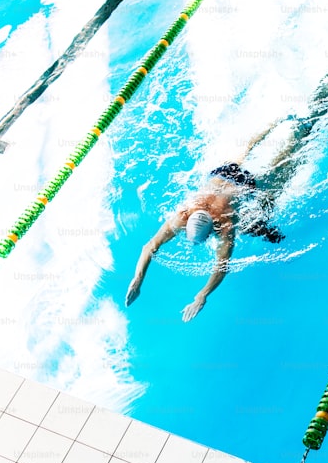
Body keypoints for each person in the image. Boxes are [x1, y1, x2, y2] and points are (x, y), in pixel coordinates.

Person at [125, 118, 301, 322]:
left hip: (243, 185)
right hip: (224, 172)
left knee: (279, 172)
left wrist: (203, 295)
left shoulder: (220, 224)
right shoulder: (186, 214)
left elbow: (221, 267)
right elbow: (149, 247)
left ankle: (298, 137)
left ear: (212, 229)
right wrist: (137, 280)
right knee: (246, 149)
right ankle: (273, 123)